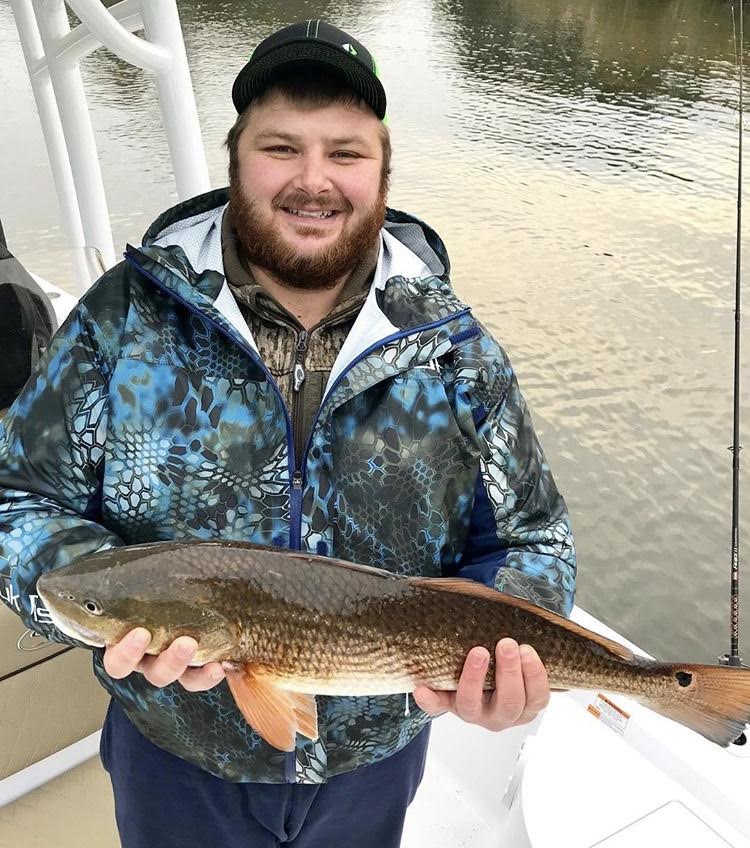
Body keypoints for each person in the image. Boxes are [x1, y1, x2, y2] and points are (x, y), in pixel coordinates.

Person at [0, 19, 576, 848]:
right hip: (174, 753)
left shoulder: (456, 352)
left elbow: (532, 537)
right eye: (281, 148)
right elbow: (18, 493)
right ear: (235, 159)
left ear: (383, 172)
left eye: (345, 153)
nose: (314, 181)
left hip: (374, 758)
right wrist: (96, 605)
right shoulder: (120, 320)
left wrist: (503, 660)